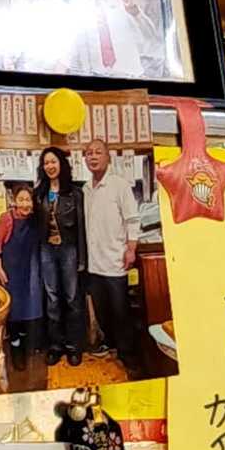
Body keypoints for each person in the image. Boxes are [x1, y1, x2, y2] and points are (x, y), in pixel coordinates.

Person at [82, 137, 141, 373]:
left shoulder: (120, 185)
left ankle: (129, 355)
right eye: (89, 153)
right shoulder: (86, 189)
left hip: (116, 261)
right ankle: (112, 344)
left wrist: (131, 249)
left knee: (121, 311)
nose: (93, 157)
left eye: (98, 152)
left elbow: (132, 219)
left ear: (108, 157)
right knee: (102, 311)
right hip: (94, 264)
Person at [68, 0, 159, 79]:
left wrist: (136, 14)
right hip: (96, 76)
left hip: (129, 73)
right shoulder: (75, 5)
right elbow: (74, 48)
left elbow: (150, 34)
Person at [34, 146, 87, 367]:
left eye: (53, 161)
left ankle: (74, 347)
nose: (50, 166)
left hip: (69, 249)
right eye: (46, 163)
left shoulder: (75, 193)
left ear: (61, 164)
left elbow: (82, 227)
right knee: (52, 299)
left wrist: (82, 259)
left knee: (72, 298)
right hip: (47, 250)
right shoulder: (39, 193)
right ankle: (56, 346)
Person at [0, 183, 44, 371]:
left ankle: (26, 344)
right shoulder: (6, 218)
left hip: (31, 270)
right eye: (21, 199)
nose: (25, 204)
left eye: (28, 200)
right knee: (13, 311)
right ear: (14, 200)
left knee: (30, 309)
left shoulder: (36, 220)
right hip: (11, 271)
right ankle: (15, 348)